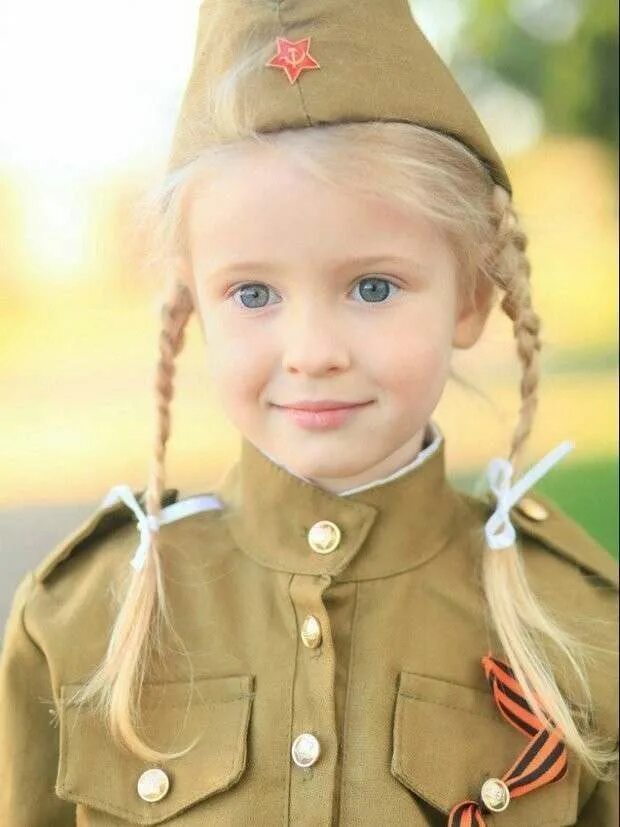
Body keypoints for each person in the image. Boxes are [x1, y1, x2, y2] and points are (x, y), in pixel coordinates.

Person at [1, 0, 617, 824]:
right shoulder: (80, 619)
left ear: (472, 295)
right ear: (193, 305)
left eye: (373, 286)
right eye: (253, 292)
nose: (313, 349)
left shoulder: (577, 625)